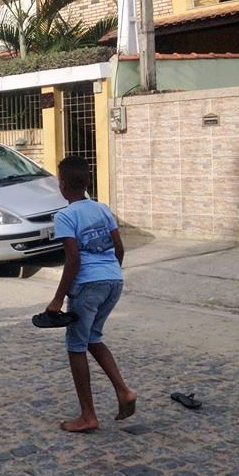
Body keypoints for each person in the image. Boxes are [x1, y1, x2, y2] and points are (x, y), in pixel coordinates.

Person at [45, 156, 136, 432]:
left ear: (62, 184)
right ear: (87, 182)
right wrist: (109, 274)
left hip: (87, 286)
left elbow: (73, 260)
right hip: (113, 282)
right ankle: (123, 391)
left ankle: (88, 416)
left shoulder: (64, 217)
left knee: (76, 346)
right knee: (93, 337)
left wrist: (58, 298)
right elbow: (119, 249)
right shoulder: (102, 209)